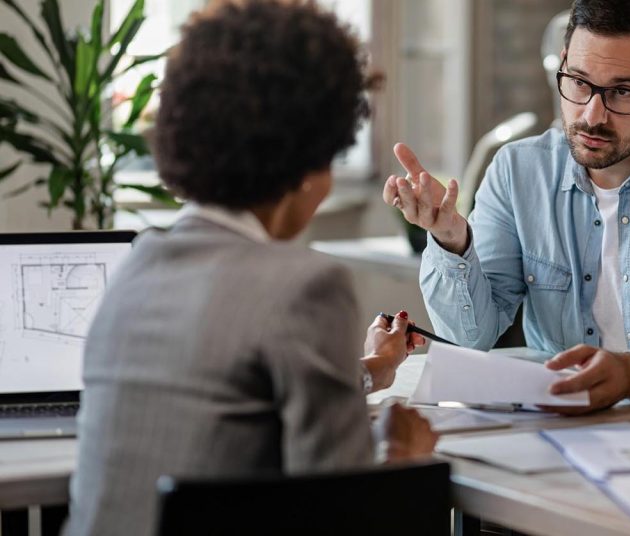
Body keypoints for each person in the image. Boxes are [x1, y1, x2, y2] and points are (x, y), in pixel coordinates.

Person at [65, 2, 438, 534]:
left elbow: (227, 406)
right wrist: (406, 454)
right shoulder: (305, 287)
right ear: (306, 164)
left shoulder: (136, 267)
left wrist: (373, 369)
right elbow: (345, 515)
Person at [383, 0, 630, 414]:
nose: (592, 115)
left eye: (622, 92)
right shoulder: (518, 171)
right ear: (562, 65)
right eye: (579, 82)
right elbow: (472, 338)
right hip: (554, 423)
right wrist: (451, 240)